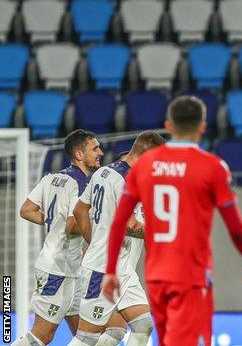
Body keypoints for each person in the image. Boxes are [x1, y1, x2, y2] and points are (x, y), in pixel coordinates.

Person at [101, 96, 242, 346]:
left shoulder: (144, 166)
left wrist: (111, 270)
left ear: (168, 125)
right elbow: (236, 227)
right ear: (202, 127)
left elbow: (119, 222)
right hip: (190, 274)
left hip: (155, 275)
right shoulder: (213, 167)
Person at [68, 131, 165, 346]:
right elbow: (129, 224)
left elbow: (80, 210)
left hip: (123, 270)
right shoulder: (127, 180)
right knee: (87, 338)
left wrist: (95, 242)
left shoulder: (104, 173)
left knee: (142, 327)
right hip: (102, 271)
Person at [14, 130, 103, 346]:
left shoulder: (52, 178)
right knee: (41, 337)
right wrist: (97, 235)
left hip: (70, 269)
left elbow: (26, 210)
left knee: (87, 336)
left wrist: (56, 223)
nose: (100, 152)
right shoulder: (82, 184)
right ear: (79, 155)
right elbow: (73, 225)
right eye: (95, 149)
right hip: (58, 270)